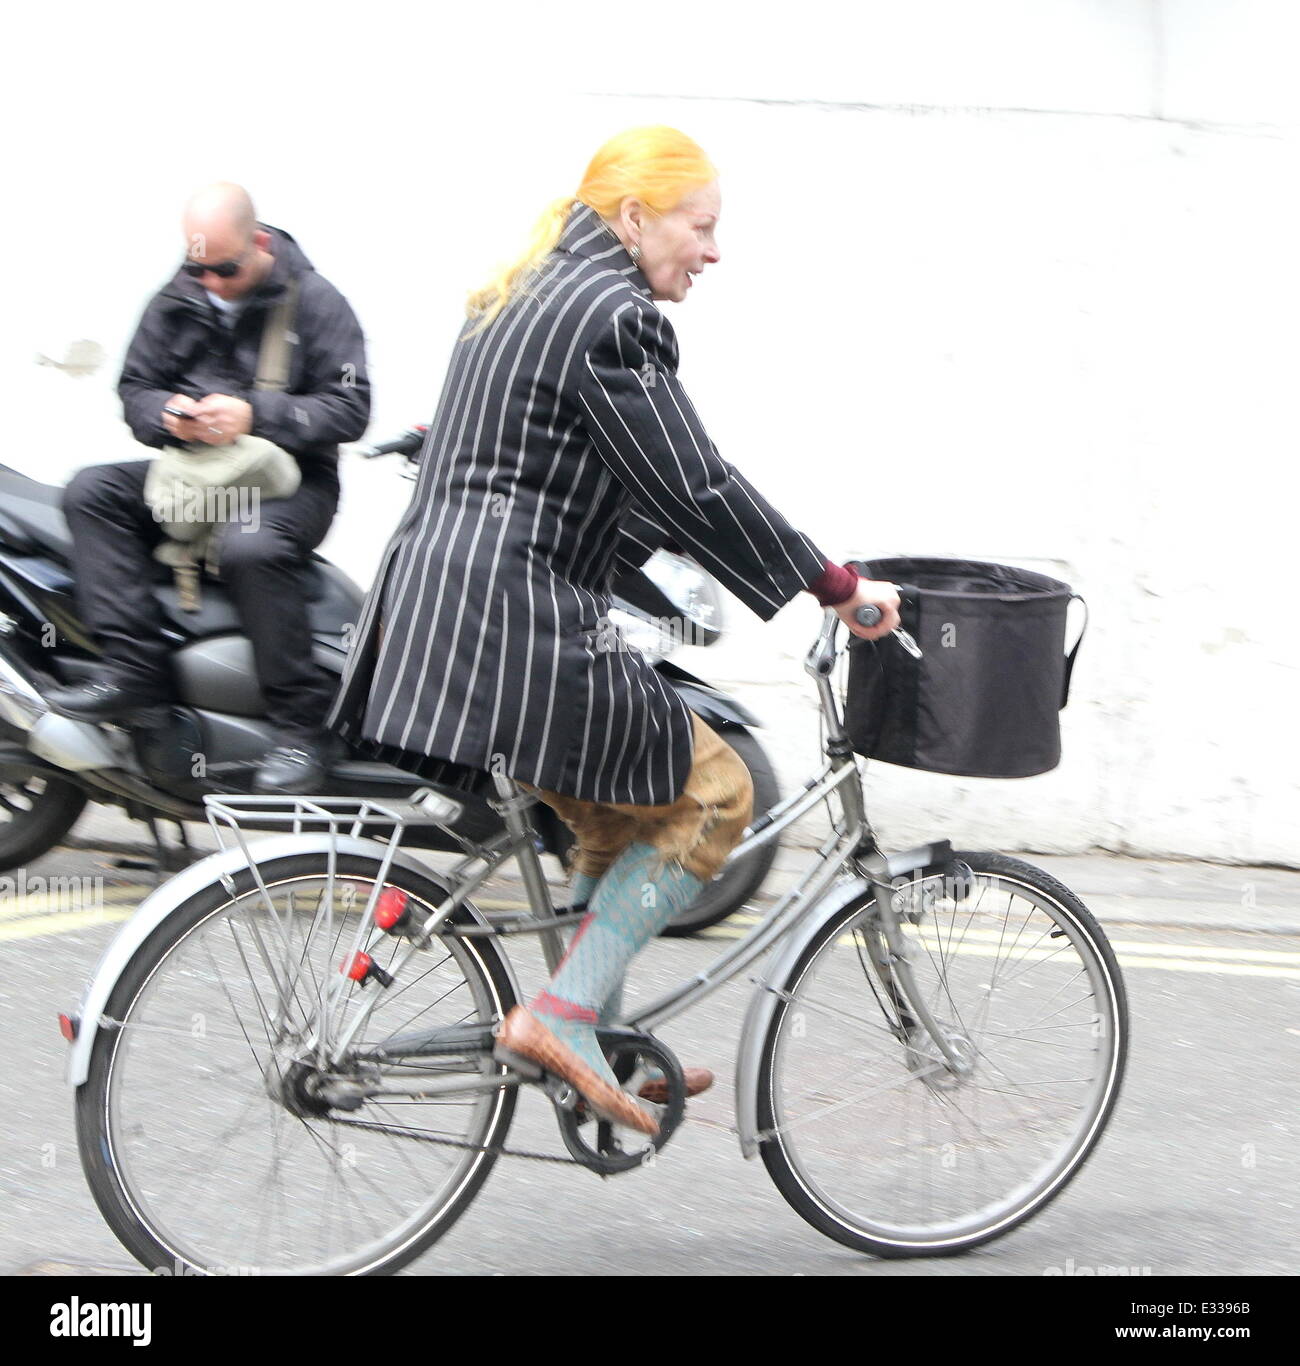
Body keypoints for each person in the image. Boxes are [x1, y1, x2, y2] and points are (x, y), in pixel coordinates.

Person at [328, 127, 900, 1134]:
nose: (713, 251)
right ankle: (562, 1013)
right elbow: (693, 480)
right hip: (517, 620)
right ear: (635, 218)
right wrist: (832, 581)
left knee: (613, 813)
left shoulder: (520, 290)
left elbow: (583, 470)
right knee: (715, 793)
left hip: (443, 608)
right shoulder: (610, 316)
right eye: (702, 225)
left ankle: (597, 1038)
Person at [48, 183, 371, 793]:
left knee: (249, 546)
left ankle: (303, 731)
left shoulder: (317, 301)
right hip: (193, 474)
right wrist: (166, 413)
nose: (213, 283)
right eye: (200, 269)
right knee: (91, 492)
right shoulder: (177, 296)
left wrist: (254, 414)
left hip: (289, 483)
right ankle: (133, 670)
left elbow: (349, 409)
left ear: (259, 242)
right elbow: (134, 389)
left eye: (226, 269)